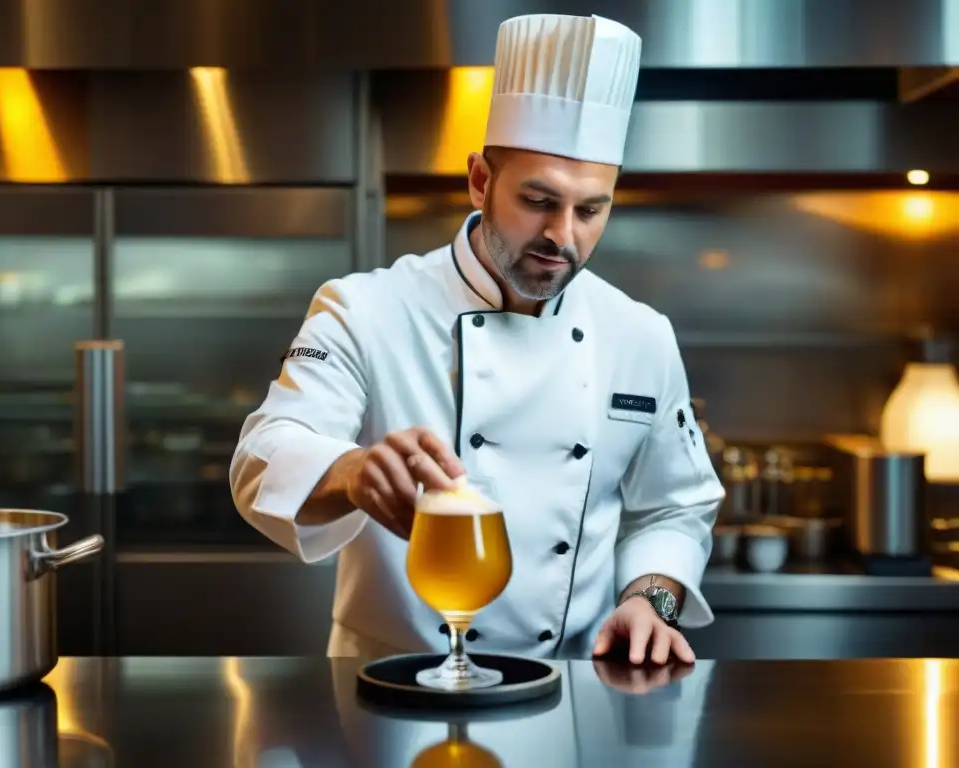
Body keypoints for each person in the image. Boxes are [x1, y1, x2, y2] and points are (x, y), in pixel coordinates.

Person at [230, 13, 725, 665]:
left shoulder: (640, 336)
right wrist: (350, 472)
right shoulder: (367, 308)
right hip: (388, 691)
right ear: (481, 181)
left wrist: (649, 600)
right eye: (538, 201)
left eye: (590, 209)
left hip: (571, 693)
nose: (564, 236)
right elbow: (261, 457)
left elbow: (675, 509)